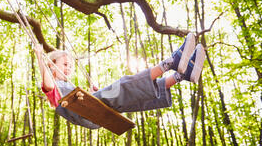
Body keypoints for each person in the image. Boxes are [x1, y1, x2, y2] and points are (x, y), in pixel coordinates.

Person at [34, 33, 205, 129]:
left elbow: (83, 99)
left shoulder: (70, 88)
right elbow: (48, 84)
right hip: (81, 113)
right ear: (52, 65)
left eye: (70, 65)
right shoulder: (54, 87)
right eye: (65, 64)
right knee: (122, 86)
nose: (69, 68)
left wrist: (93, 94)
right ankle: (170, 63)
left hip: (89, 112)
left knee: (134, 99)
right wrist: (40, 58)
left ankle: (180, 76)